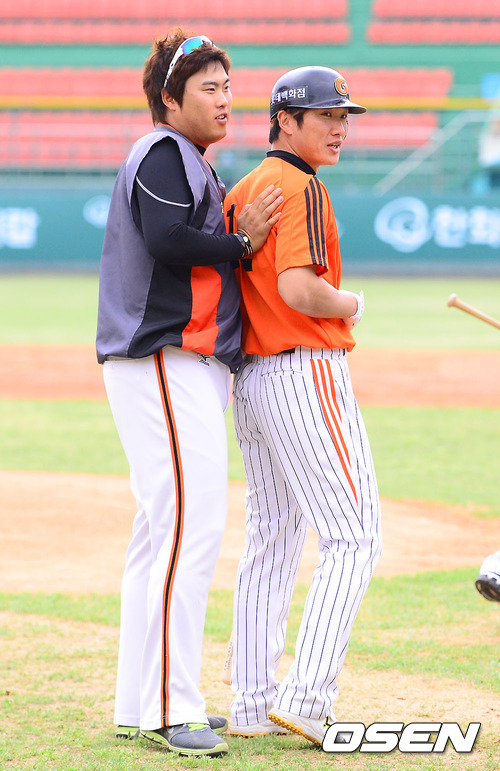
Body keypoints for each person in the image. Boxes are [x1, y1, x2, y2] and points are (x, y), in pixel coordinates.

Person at [96, 29, 281, 758]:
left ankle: (140, 700)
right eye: (209, 87)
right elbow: (168, 238)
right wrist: (241, 243)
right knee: (189, 530)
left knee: (161, 532)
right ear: (170, 100)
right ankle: (175, 706)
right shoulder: (163, 150)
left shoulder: (188, 157)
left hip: (173, 362)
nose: (226, 99)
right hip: (163, 358)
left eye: (228, 86)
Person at [224, 66, 382, 745]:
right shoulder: (302, 186)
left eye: (344, 116)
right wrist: (354, 303)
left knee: (272, 539)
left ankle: (251, 703)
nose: (340, 127)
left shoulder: (244, 190)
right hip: (304, 368)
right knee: (354, 537)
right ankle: (308, 697)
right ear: (285, 122)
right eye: (325, 116)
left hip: (253, 378)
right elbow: (300, 289)